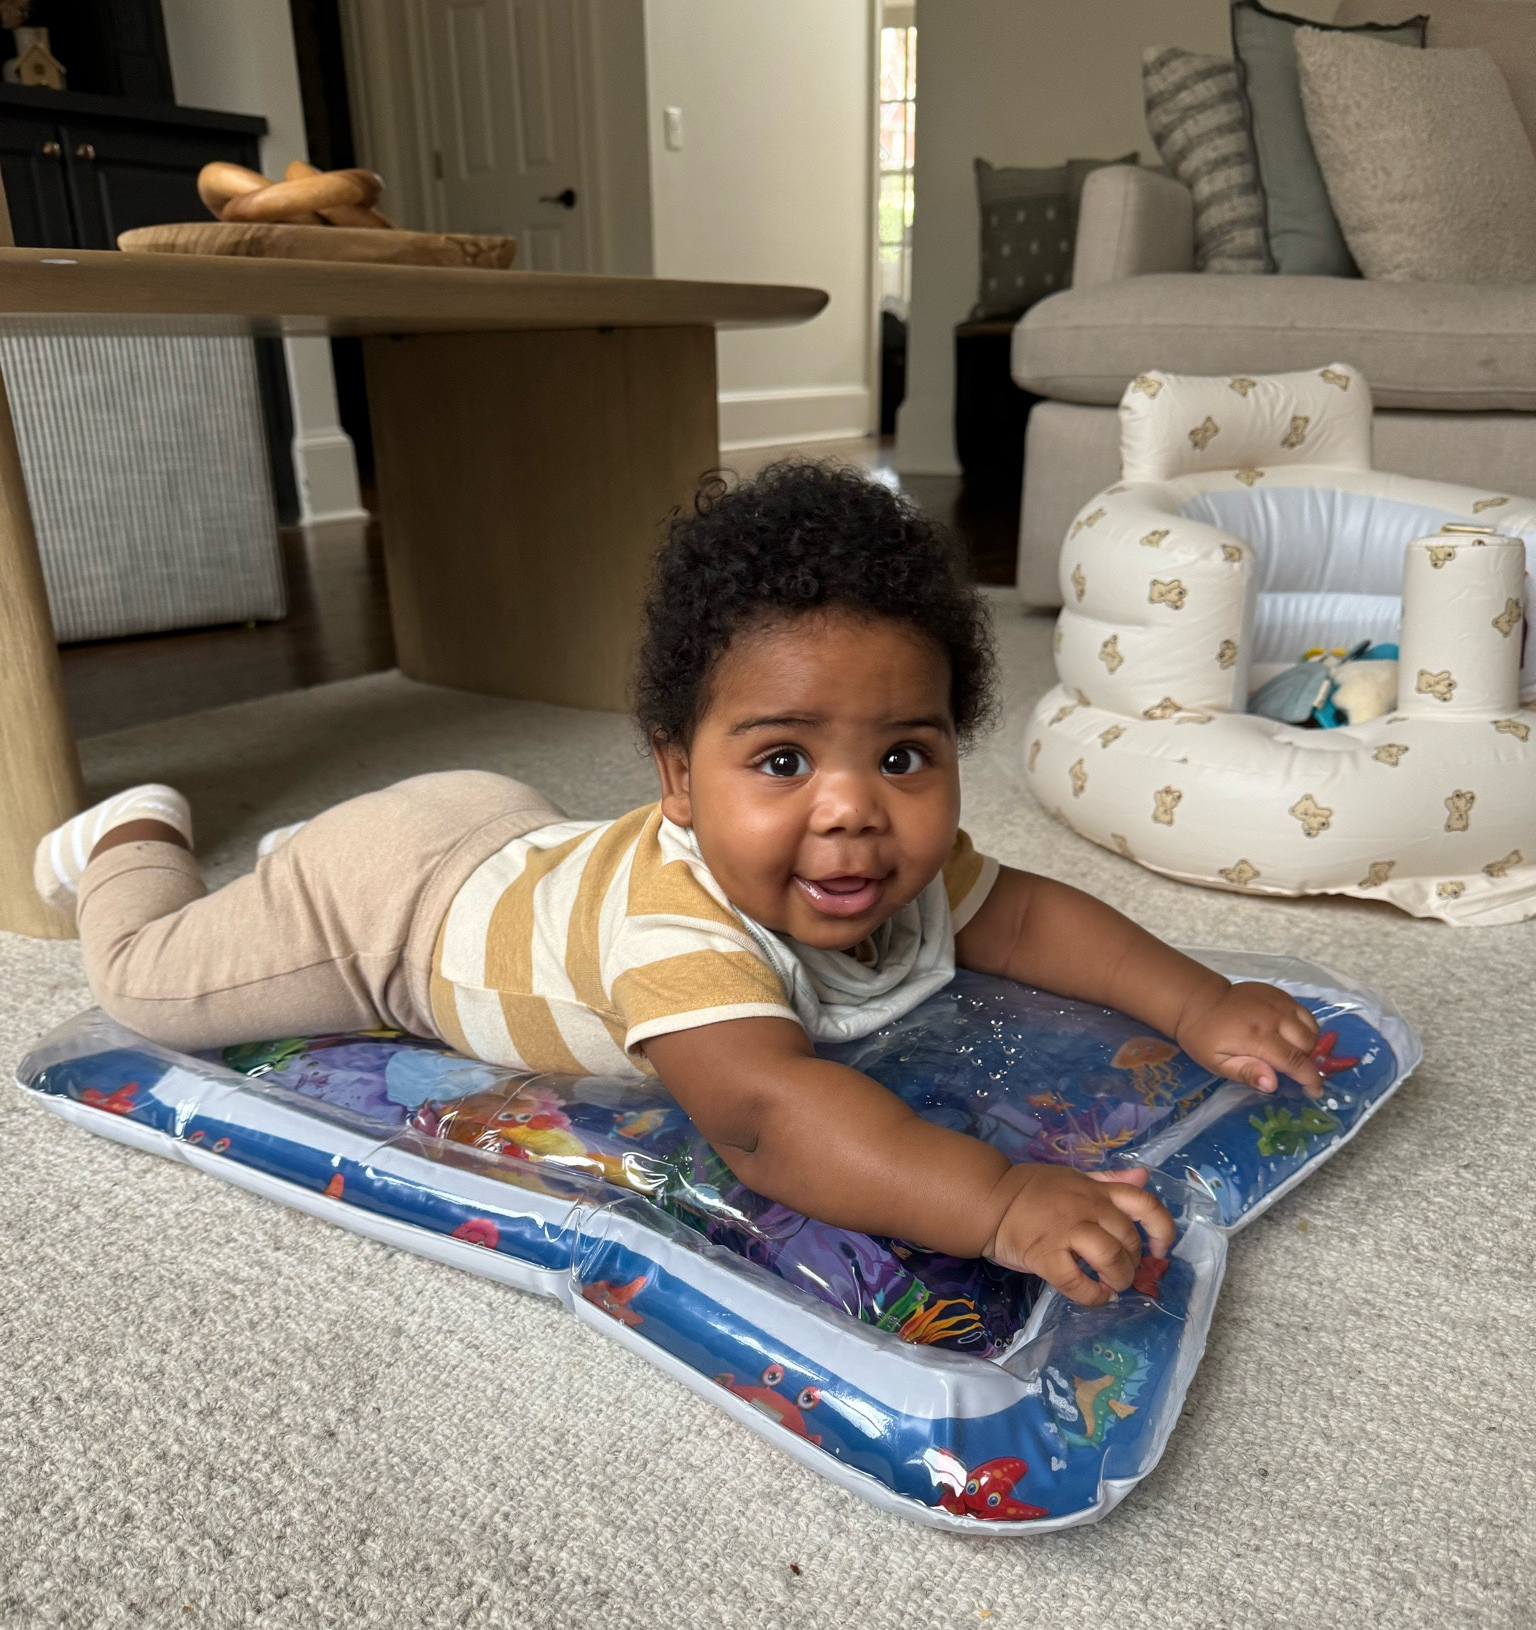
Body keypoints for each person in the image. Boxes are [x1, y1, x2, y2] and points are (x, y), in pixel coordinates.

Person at [35, 463, 1323, 1306]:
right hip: (395, 914)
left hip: (509, 835)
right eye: (781, 757)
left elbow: (1034, 916)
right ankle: (132, 842)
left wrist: (1199, 1003)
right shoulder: (681, 932)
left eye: (903, 755)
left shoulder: (890, 860)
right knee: (145, 982)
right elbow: (766, 1115)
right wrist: (996, 1201)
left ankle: (306, 847)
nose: (852, 810)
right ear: (679, 778)